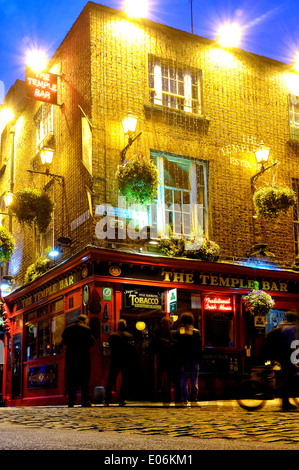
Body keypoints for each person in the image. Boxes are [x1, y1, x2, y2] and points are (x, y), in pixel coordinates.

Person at [265, 310, 299, 411]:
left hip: (279, 354)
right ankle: (285, 403)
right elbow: (292, 345)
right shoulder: (290, 328)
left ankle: (286, 401)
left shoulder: (283, 326)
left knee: (288, 376)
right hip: (283, 355)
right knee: (288, 377)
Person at [62, 314, 94, 407]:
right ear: (85, 320)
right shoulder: (87, 329)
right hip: (83, 357)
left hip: (71, 357)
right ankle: (85, 401)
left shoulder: (68, 328)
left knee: (71, 379)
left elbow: (64, 341)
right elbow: (91, 342)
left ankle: (71, 401)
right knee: (84, 380)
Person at [174, 312, 202, 406]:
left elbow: (176, 346)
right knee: (194, 381)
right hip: (193, 359)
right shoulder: (196, 332)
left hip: (182, 359)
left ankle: (184, 399)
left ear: (182, 320)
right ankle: (193, 399)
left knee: (183, 381)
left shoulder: (179, 331)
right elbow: (199, 347)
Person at [105, 319, 134, 406]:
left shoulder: (113, 335)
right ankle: (122, 399)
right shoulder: (129, 336)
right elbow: (132, 349)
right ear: (125, 325)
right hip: (126, 360)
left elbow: (110, 346)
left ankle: (107, 399)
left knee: (111, 379)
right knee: (125, 380)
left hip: (115, 359)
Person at [153, 316, 174, 405]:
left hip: (162, 358)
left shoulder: (158, 334)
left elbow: (154, 346)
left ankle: (165, 397)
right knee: (167, 379)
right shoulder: (172, 334)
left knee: (164, 379)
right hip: (170, 359)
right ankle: (167, 397)